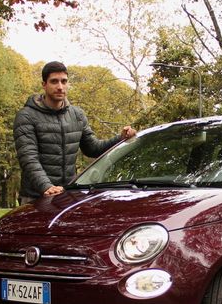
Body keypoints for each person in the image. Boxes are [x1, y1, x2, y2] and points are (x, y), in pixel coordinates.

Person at [14, 61, 136, 203]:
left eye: (64, 81)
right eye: (54, 81)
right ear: (44, 85)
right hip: (35, 197)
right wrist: (46, 186)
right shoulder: (26, 116)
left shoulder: (77, 115)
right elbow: (28, 157)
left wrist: (120, 138)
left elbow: (93, 148)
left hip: (67, 196)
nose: (60, 87)